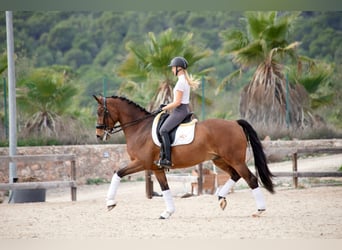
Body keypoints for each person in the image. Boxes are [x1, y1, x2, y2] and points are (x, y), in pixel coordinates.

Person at [155, 56, 199, 168]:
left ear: (178, 68)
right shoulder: (183, 80)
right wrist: (167, 105)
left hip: (180, 110)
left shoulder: (181, 82)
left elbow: (177, 102)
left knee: (163, 130)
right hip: (182, 109)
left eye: (173, 68)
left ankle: (167, 159)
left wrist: (164, 108)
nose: (171, 70)